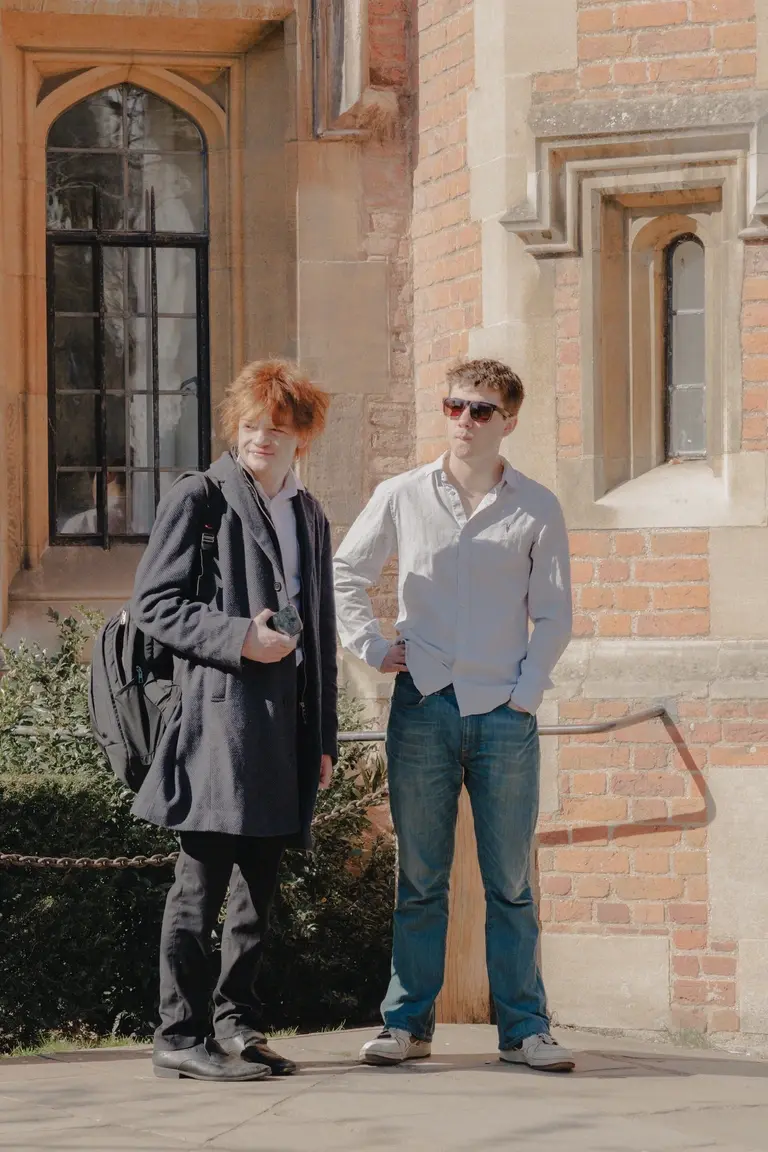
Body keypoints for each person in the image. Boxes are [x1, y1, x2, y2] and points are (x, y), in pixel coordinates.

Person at [334, 358, 574, 1072]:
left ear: (509, 421)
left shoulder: (537, 507)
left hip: (504, 712)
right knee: (421, 877)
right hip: (424, 706)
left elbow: (556, 613)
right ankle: (406, 1025)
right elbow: (346, 569)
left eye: (479, 410)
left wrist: (525, 693)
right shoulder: (404, 494)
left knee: (509, 881)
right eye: (454, 407)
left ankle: (525, 1029)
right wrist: (372, 647)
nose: (463, 422)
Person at [131, 359, 338, 1082]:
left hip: (285, 732)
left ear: (300, 439)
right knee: (200, 886)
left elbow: (323, 631)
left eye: (277, 430)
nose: (262, 440)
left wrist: (325, 739)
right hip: (217, 725)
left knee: (259, 892)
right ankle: (179, 1035)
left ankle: (239, 1026)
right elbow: (153, 605)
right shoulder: (202, 497)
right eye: (251, 426)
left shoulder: (309, 514)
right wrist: (237, 636)